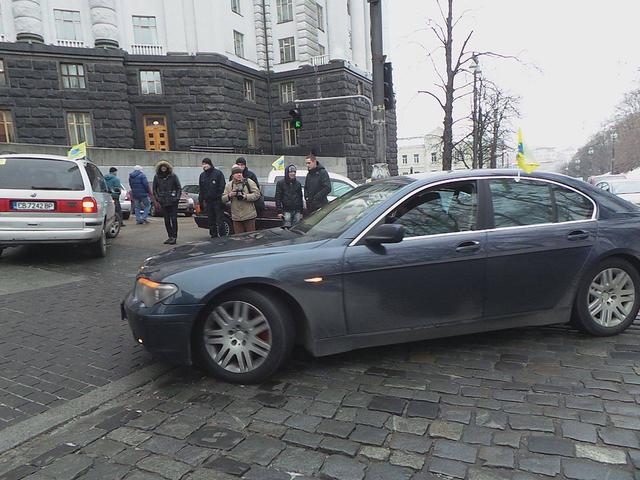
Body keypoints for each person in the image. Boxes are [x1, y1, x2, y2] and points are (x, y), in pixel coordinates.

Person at [222, 164, 260, 233]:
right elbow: (223, 199)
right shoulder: (229, 185)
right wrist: (230, 195)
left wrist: (246, 196)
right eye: (236, 173)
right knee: (239, 238)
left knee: (251, 236)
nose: (239, 174)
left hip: (249, 215)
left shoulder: (249, 182)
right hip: (236, 217)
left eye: (240, 173)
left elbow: (257, 194)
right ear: (233, 175)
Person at [152, 161, 182, 245]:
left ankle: (174, 237)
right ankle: (170, 236)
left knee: (174, 219)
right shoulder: (157, 177)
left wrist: (176, 198)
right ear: (159, 168)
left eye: (165, 166)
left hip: (173, 201)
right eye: (162, 167)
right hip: (163, 201)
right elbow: (154, 189)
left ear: (168, 167)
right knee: (166, 220)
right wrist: (158, 198)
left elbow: (179, 188)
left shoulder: (173, 176)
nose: (163, 168)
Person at [198, 158, 226, 238]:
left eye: (206, 164)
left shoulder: (218, 173)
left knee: (220, 221)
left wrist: (218, 196)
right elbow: (201, 189)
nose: (204, 166)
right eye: (203, 164)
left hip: (217, 201)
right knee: (211, 221)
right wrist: (201, 202)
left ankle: (223, 237)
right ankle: (213, 236)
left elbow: (222, 186)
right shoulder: (202, 175)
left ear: (210, 164)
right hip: (208, 202)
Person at [275, 164, 303, 228]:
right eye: (291, 172)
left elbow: (300, 197)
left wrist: (301, 212)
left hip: (297, 211)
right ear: (287, 173)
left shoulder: (298, 183)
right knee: (286, 228)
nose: (293, 173)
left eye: (294, 172)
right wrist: (279, 211)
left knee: (296, 228)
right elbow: (278, 198)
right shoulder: (281, 183)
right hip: (286, 210)